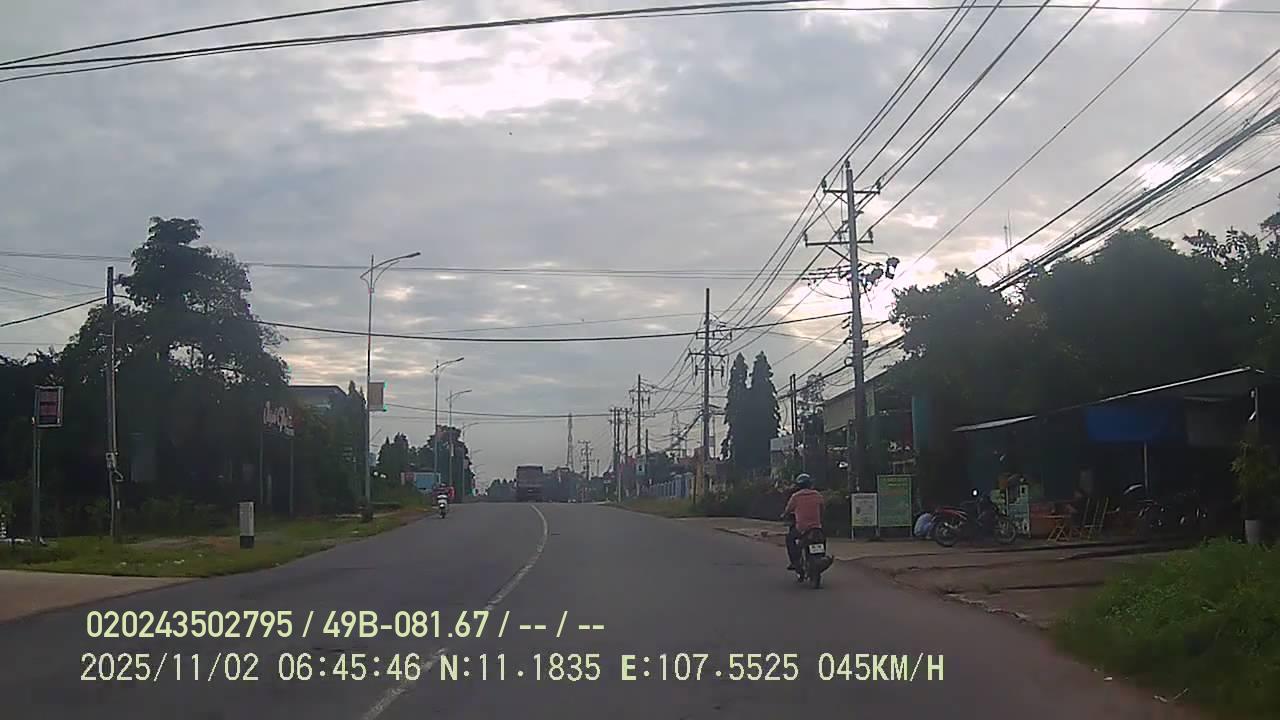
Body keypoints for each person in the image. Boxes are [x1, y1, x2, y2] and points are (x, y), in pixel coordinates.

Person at [781, 473, 823, 571]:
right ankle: (821, 556)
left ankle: (795, 561)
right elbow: (822, 509)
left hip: (802, 528)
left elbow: (788, 510)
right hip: (816, 527)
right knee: (821, 538)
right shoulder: (818, 495)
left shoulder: (795, 497)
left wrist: (783, 515)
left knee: (789, 539)